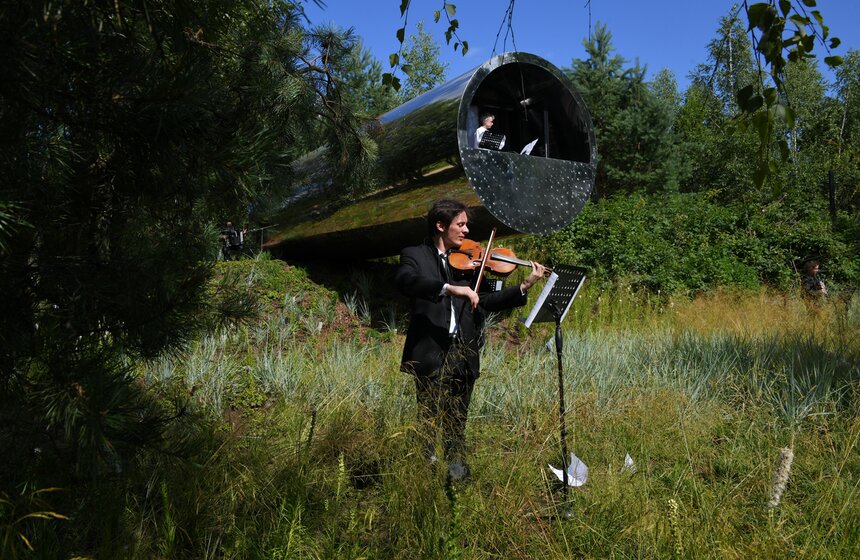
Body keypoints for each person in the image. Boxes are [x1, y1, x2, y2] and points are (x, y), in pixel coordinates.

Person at [395, 199, 546, 482]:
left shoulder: (470, 261)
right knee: (428, 420)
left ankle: (457, 478)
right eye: (460, 224)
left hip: (464, 353)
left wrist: (523, 287)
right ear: (441, 226)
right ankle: (424, 478)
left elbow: (485, 301)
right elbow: (406, 281)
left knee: (457, 421)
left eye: (466, 225)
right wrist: (448, 288)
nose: (466, 231)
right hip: (431, 351)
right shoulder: (414, 255)